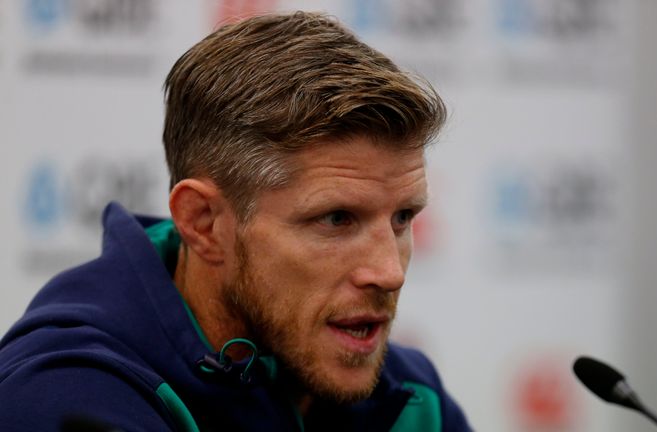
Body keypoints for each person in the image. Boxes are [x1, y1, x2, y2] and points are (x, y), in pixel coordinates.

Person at [0, 11, 471, 431]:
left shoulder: (410, 395)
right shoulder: (67, 395)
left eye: (403, 217)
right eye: (336, 218)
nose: (389, 272)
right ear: (204, 223)